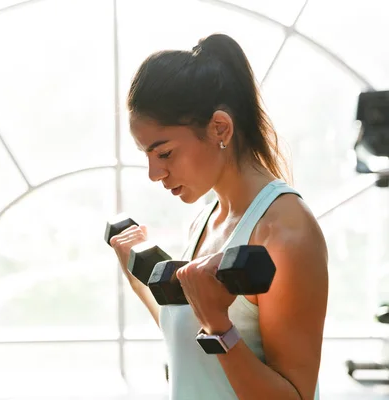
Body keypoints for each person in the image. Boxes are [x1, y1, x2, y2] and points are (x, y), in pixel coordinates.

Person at [109, 33, 329, 400]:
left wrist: (218, 325)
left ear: (220, 128)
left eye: (163, 154)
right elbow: (189, 348)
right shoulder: (206, 218)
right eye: (146, 155)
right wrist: (137, 278)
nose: (153, 173)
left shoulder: (287, 234)